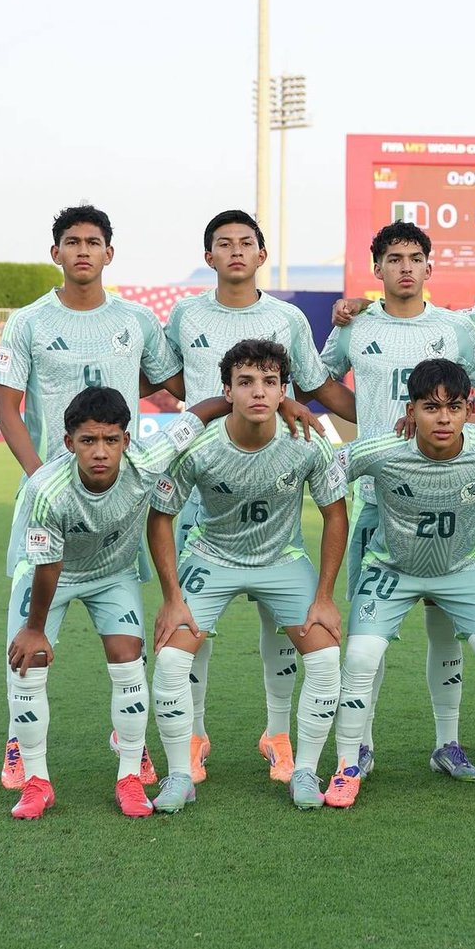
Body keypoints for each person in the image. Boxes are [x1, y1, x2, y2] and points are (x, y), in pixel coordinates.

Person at [162, 209, 357, 788]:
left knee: (282, 620)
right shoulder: (185, 313)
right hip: (204, 476)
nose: (237, 252)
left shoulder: (287, 317)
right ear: (210, 257)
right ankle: (192, 736)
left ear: (262, 254)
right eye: (225, 244)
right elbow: (169, 377)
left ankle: (278, 736)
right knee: (193, 631)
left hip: (271, 477)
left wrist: (383, 417)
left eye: (247, 242)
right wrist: (209, 411)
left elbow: (316, 386)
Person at [0, 202, 180, 790]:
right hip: (53, 497)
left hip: (115, 494)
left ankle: (130, 743)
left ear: (108, 253)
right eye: (70, 241)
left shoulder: (137, 320)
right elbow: (6, 406)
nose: (81, 250)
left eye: (92, 241)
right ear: (56, 253)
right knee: (25, 636)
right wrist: (35, 476)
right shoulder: (27, 321)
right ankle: (19, 743)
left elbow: (168, 380)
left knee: (124, 643)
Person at [323, 358, 475, 810]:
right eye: (431, 408)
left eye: (454, 407)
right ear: (410, 411)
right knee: (360, 656)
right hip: (391, 568)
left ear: (470, 409)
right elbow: (323, 469)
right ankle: (347, 766)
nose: (444, 418)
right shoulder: (379, 450)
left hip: (461, 570)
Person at [323, 221, 475, 781]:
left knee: (445, 625)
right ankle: (363, 745)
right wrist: (372, 419)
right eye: (393, 258)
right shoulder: (356, 327)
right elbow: (317, 380)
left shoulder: (454, 327)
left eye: (415, 258)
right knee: (367, 632)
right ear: (377, 267)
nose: (405, 267)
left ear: (430, 267)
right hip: (377, 497)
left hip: (449, 495)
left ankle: (447, 743)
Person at [5, 385, 226, 819]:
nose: (100, 451)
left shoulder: (146, 462)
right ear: (69, 444)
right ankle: (36, 782)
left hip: (112, 575)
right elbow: (48, 566)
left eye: (111, 439)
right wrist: (34, 629)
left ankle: (128, 776)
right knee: (27, 666)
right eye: (88, 441)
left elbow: (198, 414)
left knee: (128, 656)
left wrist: (274, 401)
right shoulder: (46, 489)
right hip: (50, 574)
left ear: (128, 439)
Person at [146, 339, 347, 812]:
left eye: (270, 382)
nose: (258, 391)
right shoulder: (198, 446)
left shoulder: (306, 442)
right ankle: (179, 776)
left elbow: (336, 515)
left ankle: (304, 772)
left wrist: (324, 596)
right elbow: (160, 516)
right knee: (172, 661)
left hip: (281, 559)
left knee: (324, 658)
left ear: (284, 392)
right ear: (227, 391)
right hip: (211, 555)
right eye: (246, 382)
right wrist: (172, 596)